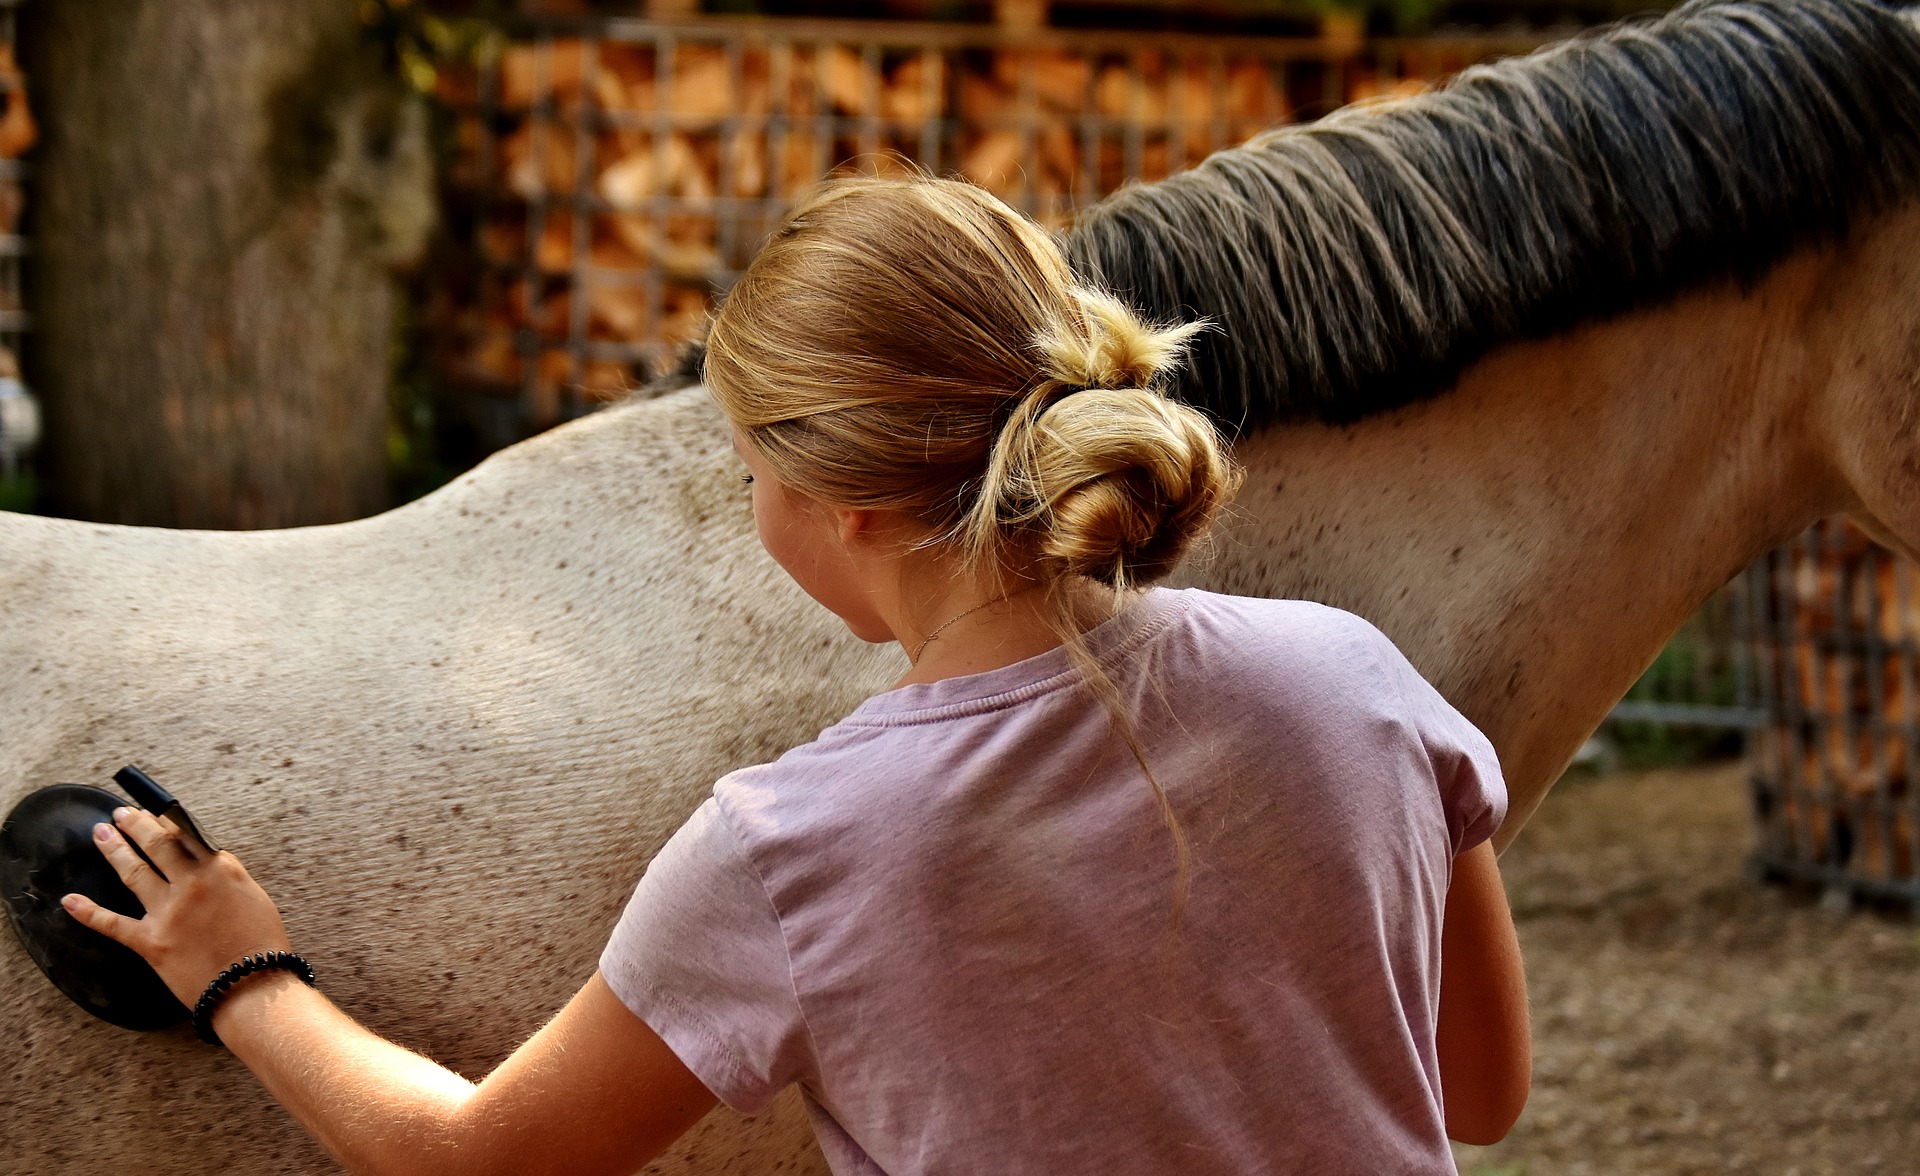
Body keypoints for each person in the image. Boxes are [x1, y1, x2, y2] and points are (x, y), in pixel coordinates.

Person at [63, 174, 1529, 1175]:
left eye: (747, 461)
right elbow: (1480, 1089)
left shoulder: (797, 846)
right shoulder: (1359, 680)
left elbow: (479, 1159)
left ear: (857, 505)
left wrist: (237, 966)